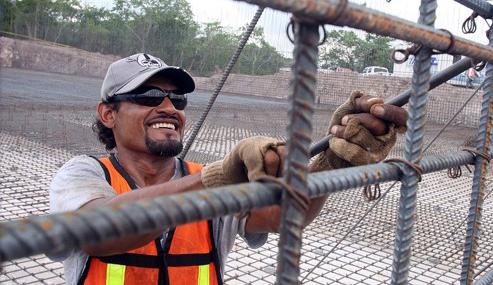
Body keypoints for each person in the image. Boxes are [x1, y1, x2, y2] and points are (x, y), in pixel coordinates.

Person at [48, 53, 408, 284]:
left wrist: (332, 161)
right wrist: (214, 179)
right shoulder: (84, 175)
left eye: (177, 98)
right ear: (108, 114)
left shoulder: (201, 176)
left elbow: (283, 216)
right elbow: (96, 231)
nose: (168, 107)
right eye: (147, 97)